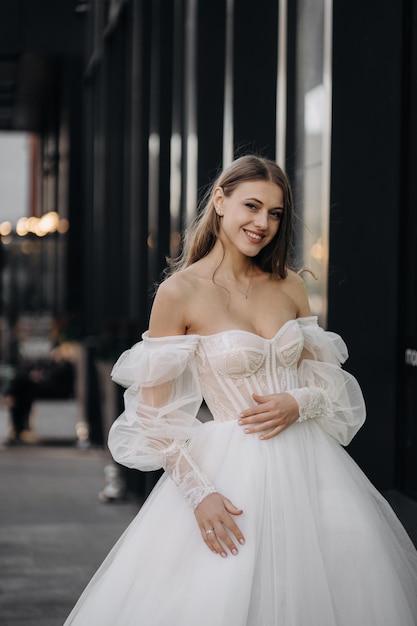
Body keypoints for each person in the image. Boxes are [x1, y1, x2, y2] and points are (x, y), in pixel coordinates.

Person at [64, 155, 417, 625]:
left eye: (275, 213)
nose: (262, 223)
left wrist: (299, 400)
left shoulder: (289, 284)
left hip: (313, 467)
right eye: (252, 206)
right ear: (219, 200)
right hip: (229, 477)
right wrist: (199, 495)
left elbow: (327, 384)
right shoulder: (180, 293)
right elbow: (155, 417)